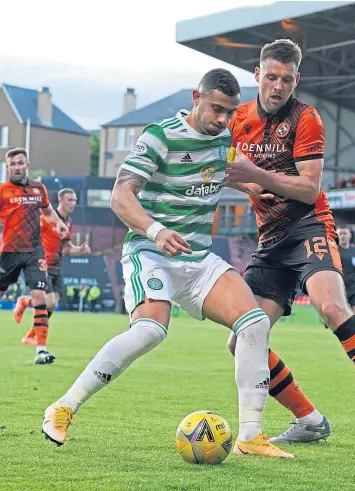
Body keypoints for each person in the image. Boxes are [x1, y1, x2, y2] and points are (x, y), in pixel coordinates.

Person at [41, 69, 293, 458]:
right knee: (149, 332)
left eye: (229, 113)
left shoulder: (224, 138)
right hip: (151, 252)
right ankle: (63, 407)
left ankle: (250, 436)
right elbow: (120, 196)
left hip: (198, 258)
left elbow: (231, 175)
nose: (222, 120)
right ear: (196, 97)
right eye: (215, 109)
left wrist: (263, 186)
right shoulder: (159, 136)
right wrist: (157, 231)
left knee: (255, 322)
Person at [224, 39, 355, 444]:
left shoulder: (307, 118)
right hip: (270, 240)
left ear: (297, 79)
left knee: (331, 305)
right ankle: (309, 420)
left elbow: (308, 188)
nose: (278, 87)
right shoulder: (237, 118)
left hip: (308, 225)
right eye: (271, 77)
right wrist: (248, 181)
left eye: (286, 79)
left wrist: (255, 176)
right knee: (242, 339)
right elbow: (227, 171)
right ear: (257, 74)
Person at [0, 148, 68, 364]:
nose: (17, 167)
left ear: (27, 165)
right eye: (13, 164)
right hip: (9, 252)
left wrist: (59, 225)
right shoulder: (2, 191)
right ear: (7, 167)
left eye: (21, 163)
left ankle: (41, 350)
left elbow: (48, 212)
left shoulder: (39, 189)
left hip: (34, 252)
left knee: (40, 297)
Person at [14, 188, 91, 343]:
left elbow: (67, 248)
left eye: (75, 200)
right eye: (69, 200)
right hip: (42, 265)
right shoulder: (45, 218)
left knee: (52, 305)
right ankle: (24, 302)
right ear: (60, 200)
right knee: (48, 302)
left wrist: (81, 250)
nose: (73, 203)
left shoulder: (67, 222)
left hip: (56, 266)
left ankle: (30, 335)